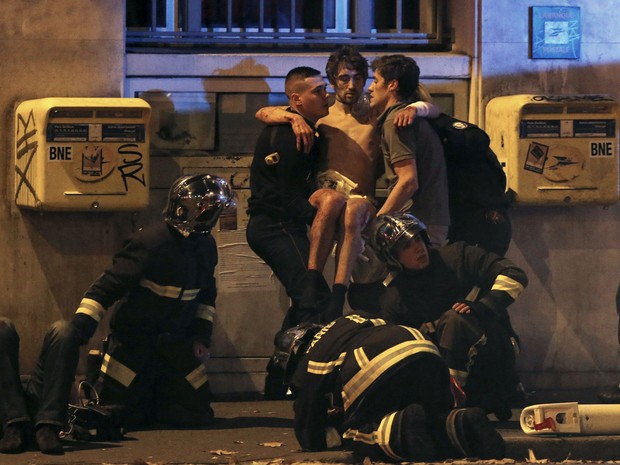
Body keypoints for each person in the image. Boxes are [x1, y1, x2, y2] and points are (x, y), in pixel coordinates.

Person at [0, 173, 233, 455]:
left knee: (197, 414)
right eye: (209, 211)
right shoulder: (150, 244)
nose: (214, 216)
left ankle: (155, 396)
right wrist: (79, 331)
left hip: (176, 346)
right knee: (118, 414)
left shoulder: (206, 248)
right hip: (134, 346)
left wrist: (200, 337)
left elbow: (206, 298)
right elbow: (105, 289)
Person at [256, 46, 440, 320]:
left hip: (362, 213)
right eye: (344, 78)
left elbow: (433, 109)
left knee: (365, 293)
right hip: (323, 215)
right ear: (332, 81)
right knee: (309, 296)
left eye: (359, 78)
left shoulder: (375, 114)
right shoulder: (320, 113)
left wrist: (416, 108)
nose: (352, 85)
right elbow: (263, 113)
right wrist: (292, 117)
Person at [351, 212, 528, 419]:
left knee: (455, 320)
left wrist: (483, 307)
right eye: (405, 246)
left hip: (494, 354)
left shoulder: (458, 256)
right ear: (392, 258)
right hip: (440, 370)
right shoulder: (395, 299)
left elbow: (514, 274)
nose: (417, 248)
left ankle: (451, 404)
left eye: (417, 238)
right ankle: (445, 403)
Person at [275, 314, 506, 462]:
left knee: (357, 433)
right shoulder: (350, 321)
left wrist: (333, 422)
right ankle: (461, 424)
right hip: (422, 349)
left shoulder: (309, 361)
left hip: (375, 362)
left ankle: (398, 430)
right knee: (429, 420)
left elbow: (309, 434)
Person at [368, 54, 450, 246]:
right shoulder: (411, 115)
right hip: (428, 219)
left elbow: (408, 181)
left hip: (417, 224)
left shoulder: (396, 121)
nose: (371, 88)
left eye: (375, 81)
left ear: (392, 85)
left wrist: (377, 223)